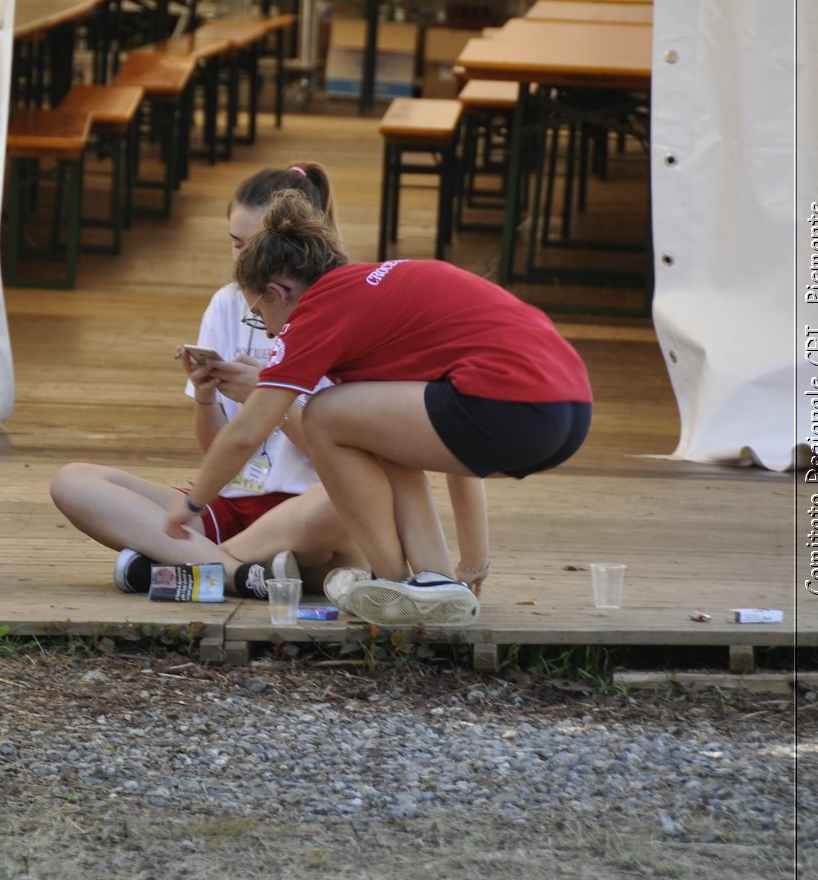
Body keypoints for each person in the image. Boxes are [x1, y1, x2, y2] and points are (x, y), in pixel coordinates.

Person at [164, 190, 592, 627]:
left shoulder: (318, 310)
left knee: (323, 414)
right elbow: (430, 445)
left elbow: (246, 432)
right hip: (567, 413)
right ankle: (433, 583)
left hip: (511, 406)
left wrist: (193, 504)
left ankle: (391, 579)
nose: (269, 330)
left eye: (259, 315)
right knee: (375, 436)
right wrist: (473, 562)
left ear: (278, 292)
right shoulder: (376, 290)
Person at [50, 163, 362, 598]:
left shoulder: (343, 311)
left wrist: (267, 398)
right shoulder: (226, 303)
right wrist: (204, 395)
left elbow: (344, 460)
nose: (242, 262)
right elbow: (218, 450)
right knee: (73, 481)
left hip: (304, 515)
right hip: (229, 502)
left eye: (253, 246)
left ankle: (191, 565)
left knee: (336, 508)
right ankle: (236, 574)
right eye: (235, 245)